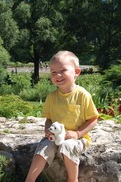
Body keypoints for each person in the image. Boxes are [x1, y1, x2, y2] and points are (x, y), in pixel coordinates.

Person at [25, 50, 99, 182]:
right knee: (44, 145)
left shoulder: (82, 95)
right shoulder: (52, 97)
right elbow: (49, 119)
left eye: (63, 70)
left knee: (68, 146)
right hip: (56, 136)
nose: (57, 75)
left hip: (77, 138)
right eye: (53, 72)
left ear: (76, 72)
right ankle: (30, 179)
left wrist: (77, 133)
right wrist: (47, 130)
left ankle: (72, 179)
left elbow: (93, 119)